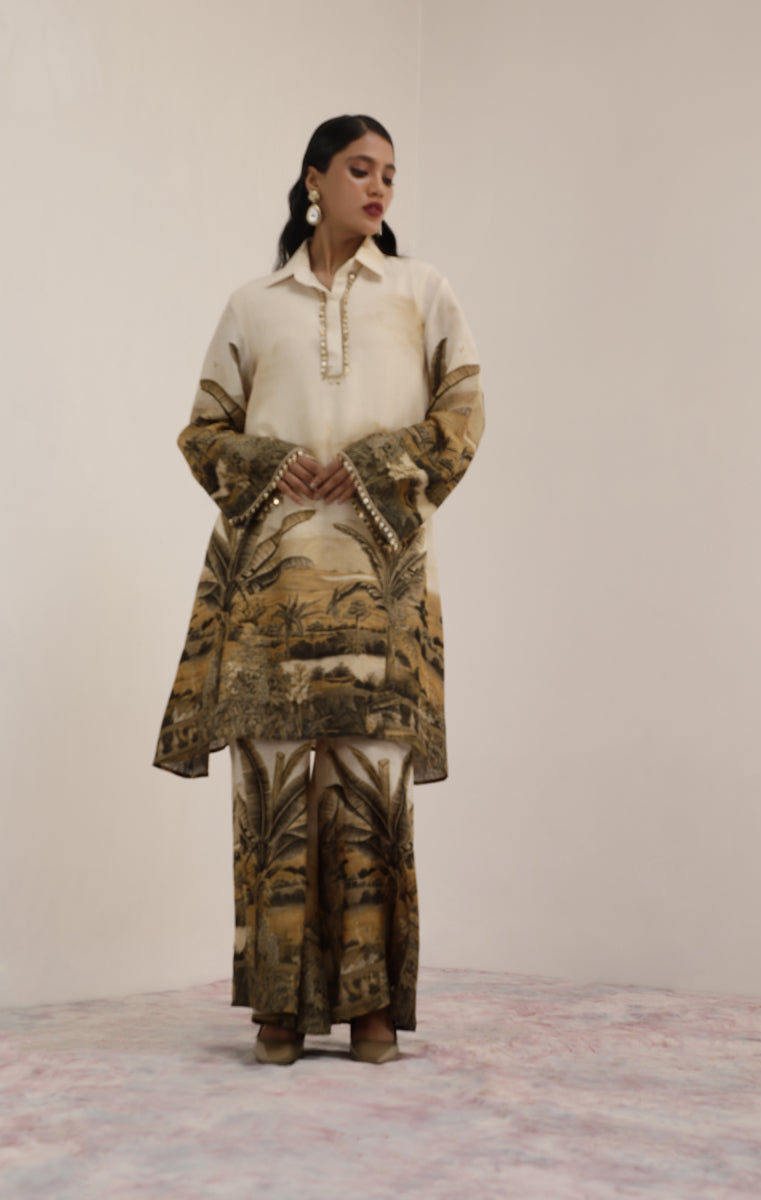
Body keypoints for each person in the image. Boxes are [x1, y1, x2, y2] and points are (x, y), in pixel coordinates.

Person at [154, 114, 484, 1065]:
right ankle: (279, 1006)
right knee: (273, 791)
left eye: (390, 175)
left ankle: (372, 1006)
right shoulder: (254, 305)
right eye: (359, 170)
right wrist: (273, 462)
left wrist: (377, 464)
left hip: (381, 590)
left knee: (372, 788)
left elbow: (464, 412)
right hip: (271, 594)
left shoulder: (421, 292)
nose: (379, 188)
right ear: (314, 181)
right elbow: (204, 433)